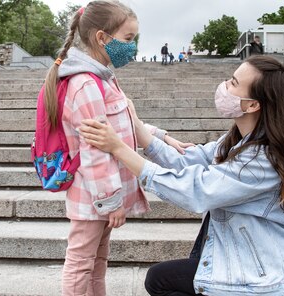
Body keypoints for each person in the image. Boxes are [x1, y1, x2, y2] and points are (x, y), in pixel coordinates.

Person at [79, 55, 284, 295]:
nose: (224, 86)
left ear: (252, 104)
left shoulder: (263, 159)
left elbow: (195, 190)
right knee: (159, 279)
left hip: (270, 279)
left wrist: (119, 149)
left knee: (160, 282)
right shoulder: (235, 141)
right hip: (245, 259)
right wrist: (138, 128)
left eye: (233, 83)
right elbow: (185, 161)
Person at [42, 1, 172, 295]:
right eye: (128, 39)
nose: (133, 46)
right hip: (93, 198)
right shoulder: (86, 84)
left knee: (97, 261)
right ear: (102, 38)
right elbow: (94, 150)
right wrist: (111, 201)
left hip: (98, 196)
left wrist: (163, 137)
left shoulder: (103, 78)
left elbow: (124, 125)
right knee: (80, 263)